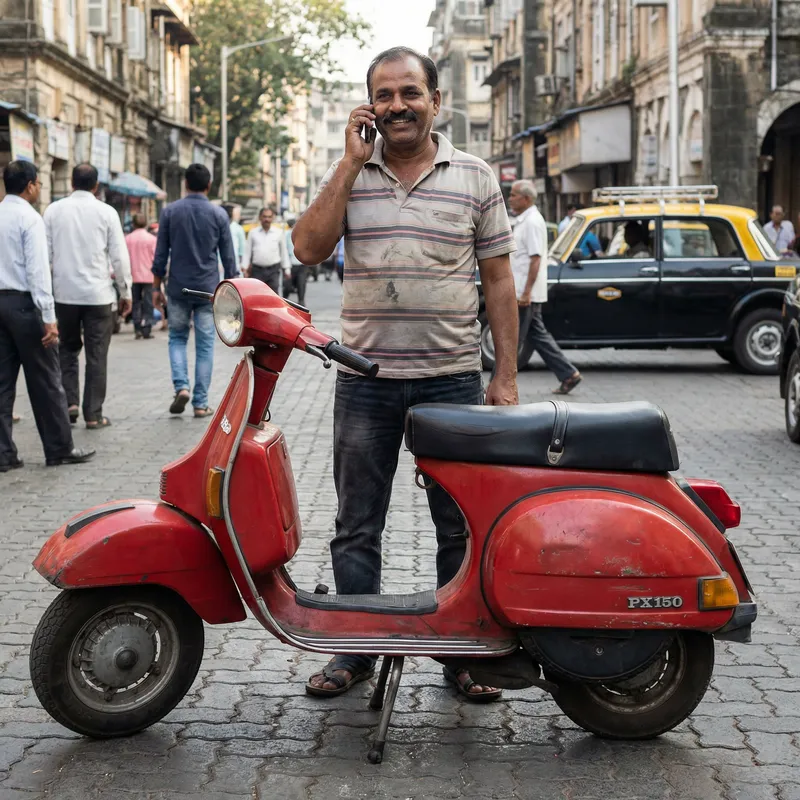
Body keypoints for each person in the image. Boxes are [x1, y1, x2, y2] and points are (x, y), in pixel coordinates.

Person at [293, 46, 519, 702]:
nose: (398, 106)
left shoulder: (475, 176)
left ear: (435, 101)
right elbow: (307, 248)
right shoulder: (352, 175)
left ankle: (461, 656)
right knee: (357, 522)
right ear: (369, 108)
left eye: (409, 93)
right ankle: (355, 652)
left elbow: (500, 281)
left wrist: (503, 376)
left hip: (451, 379)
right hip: (365, 380)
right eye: (384, 95)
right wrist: (346, 163)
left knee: (460, 524)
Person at [0, 161, 95, 469]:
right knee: (46, 379)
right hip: (26, 306)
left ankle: (4, 454)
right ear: (29, 185)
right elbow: (38, 272)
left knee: (2, 383)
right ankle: (59, 448)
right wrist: (49, 318)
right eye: (38, 183)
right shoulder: (30, 218)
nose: (39, 189)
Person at [44, 163, 132, 430]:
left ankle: (69, 404)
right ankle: (93, 415)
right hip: (98, 296)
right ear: (96, 186)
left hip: (64, 294)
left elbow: (45, 255)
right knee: (96, 356)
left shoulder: (53, 211)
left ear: (71, 183)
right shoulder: (107, 212)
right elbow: (119, 256)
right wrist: (126, 292)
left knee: (67, 350)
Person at [152, 163, 237, 418]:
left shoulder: (169, 212)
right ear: (209, 186)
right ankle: (200, 403)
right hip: (209, 290)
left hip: (178, 288)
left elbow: (160, 256)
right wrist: (233, 290)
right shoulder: (219, 215)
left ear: (185, 184)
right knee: (205, 345)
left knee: (177, 338)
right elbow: (229, 259)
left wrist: (156, 288)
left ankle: (182, 387)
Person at [509, 180, 582, 395]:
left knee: (513, 339)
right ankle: (568, 374)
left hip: (526, 292)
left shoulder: (532, 222)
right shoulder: (524, 221)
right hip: (524, 290)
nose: (510, 198)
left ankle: (500, 381)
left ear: (527, 199)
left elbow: (535, 260)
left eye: (514, 195)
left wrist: (526, 292)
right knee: (536, 335)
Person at [125, 213, 157, 339]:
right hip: (149, 276)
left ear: (133, 224)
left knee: (135, 302)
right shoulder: (151, 239)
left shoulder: (128, 239)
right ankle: (147, 328)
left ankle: (137, 328)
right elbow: (156, 258)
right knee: (149, 302)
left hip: (133, 276)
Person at [243, 207, 290, 293]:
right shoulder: (253, 233)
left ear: (272, 218)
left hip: (273, 270)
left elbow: (283, 252)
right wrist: (244, 268)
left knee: (273, 295)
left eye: (269, 217)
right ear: (260, 217)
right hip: (257, 271)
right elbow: (247, 252)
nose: (266, 219)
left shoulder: (278, 232)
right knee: (257, 295)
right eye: (264, 217)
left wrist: (286, 269)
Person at [284, 216, 309, 306]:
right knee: (287, 286)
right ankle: (283, 302)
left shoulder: (304, 234)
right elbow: (284, 250)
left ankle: (301, 302)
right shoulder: (286, 235)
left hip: (301, 265)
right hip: (290, 265)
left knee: (301, 284)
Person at [223, 203, 247, 272]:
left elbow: (242, 250)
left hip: (235, 264)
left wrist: (241, 265)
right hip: (220, 266)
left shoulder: (238, 228)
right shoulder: (219, 227)